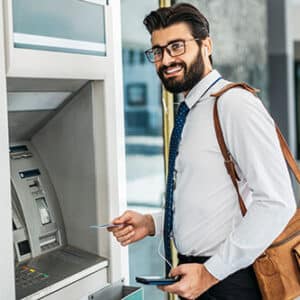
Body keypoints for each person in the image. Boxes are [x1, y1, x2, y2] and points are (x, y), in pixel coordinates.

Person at [109, 3, 297, 300]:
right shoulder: (192, 110)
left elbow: (277, 203)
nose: (166, 59)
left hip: (231, 278)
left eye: (176, 46)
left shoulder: (235, 104)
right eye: (157, 51)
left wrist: (211, 272)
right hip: (201, 274)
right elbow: (207, 199)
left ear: (206, 45)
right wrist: (153, 223)